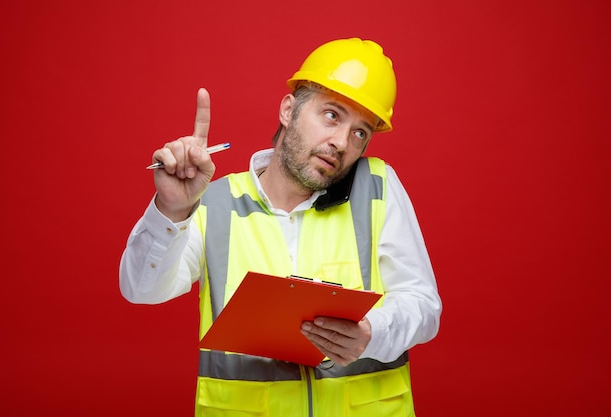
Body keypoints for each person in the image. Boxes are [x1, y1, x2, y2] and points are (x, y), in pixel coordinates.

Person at [120, 37, 442, 417]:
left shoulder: (378, 187)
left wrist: (372, 332)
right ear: (289, 110)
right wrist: (172, 210)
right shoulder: (213, 202)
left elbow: (423, 305)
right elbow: (141, 289)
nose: (341, 142)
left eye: (360, 133)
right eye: (332, 115)